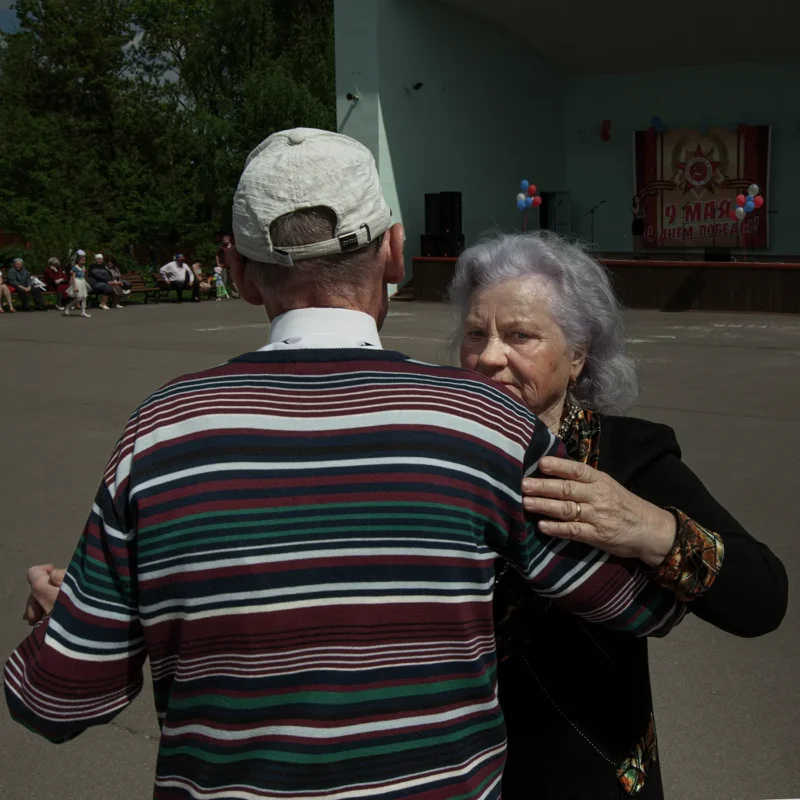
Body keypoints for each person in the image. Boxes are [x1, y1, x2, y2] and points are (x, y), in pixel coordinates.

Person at [5, 129, 685, 800]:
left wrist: (71, 619)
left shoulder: (161, 434)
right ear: (393, 251)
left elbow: (59, 700)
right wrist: (660, 532)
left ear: (238, 271)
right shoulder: (488, 426)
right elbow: (640, 609)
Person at [449, 230, 788, 799]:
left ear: (578, 354)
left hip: (591, 771)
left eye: (520, 336)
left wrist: (650, 529)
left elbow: (763, 598)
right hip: (457, 772)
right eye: (476, 334)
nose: (488, 356)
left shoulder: (629, 457)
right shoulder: (439, 451)